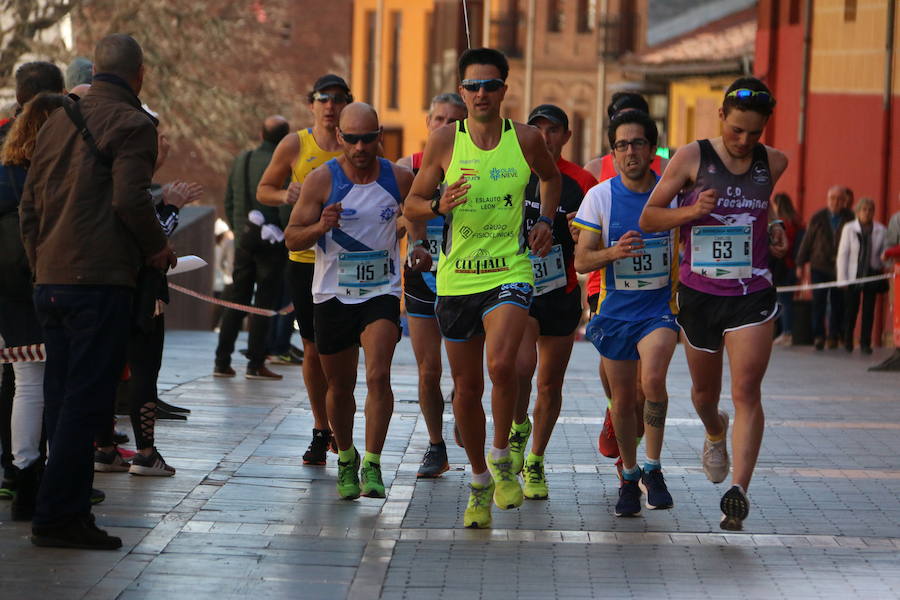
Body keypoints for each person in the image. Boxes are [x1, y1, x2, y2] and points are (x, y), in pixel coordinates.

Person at [19, 33, 176, 549]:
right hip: (99, 283)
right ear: (141, 74)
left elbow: (29, 208)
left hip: (51, 281)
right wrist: (157, 250)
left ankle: (54, 507)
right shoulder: (135, 124)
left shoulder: (55, 122)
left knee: (63, 399)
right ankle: (60, 517)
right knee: (87, 404)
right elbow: (131, 199)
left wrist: (41, 264)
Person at [405, 47, 561, 529]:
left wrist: (547, 222)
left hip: (510, 270)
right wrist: (438, 204)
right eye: (471, 86)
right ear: (462, 90)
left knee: (502, 364)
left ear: (504, 91)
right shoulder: (444, 142)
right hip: (455, 279)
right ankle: (478, 480)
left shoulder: (528, 138)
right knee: (466, 391)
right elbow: (411, 204)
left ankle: (501, 458)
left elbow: (551, 179)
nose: (480, 95)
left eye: (490, 86)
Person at [639, 76, 789, 531]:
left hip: (751, 293)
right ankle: (714, 429)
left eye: (754, 133)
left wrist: (776, 225)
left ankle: (738, 492)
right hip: (700, 295)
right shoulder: (691, 158)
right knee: (705, 396)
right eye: (736, 130)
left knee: (747, 391)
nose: (744, 141)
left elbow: (765, 204)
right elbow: (650, 216)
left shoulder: (774, 162)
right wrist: (690, 213)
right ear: (720, 116)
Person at [285, 102, 428, 500]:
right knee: (340, 385)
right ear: (341, 138)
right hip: (332, 294)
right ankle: (346, 456)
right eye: (352, 139)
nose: (361, 147)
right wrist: (321, 225)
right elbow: (292, 238)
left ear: (379, 135)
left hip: (380, 292)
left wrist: (418, 244)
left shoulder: (398, 177)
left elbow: (415, 214)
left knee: (378, 374)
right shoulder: (320, 181)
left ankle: (374, 464)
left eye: (368, 138)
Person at [575, 109, 678, 517]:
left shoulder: (671, 194)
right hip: (616, 312)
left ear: (652, 149)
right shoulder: (600, 196)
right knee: (621, 399)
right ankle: (630, 475)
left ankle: (653, 467)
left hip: (658, 310)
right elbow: (582, 261)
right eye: (621, 145)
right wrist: (613, 253)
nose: (630, 151)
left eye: (638, 143)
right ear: (613, 152)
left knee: (651, 379)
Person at [258, 74, 350, 466]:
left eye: (338, 99)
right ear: (311, 103)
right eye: (322, 98)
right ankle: (320, 428)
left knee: (345, 352)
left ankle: (343, 428)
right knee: (312, 348)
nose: (330, 106)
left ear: (348, 103)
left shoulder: (357, 143)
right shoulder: (296, 143)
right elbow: (264, 189)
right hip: (307, 260)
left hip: (351, 261)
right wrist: (286, 193)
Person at [509, 104, 595, 499]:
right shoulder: (513, 170)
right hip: (520, 285)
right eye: (537, 128)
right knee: (519, 370)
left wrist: (583, 232)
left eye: (553, 130)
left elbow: (598, 236)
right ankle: (516, 429)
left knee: (549, 382)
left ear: (566, 136)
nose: (545, 136)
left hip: (559, 290)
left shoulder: (582, 181)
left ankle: (536, 460)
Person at [0, 92, 68, 520]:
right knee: (55, 384)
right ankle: (48, 476)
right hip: (52, 284)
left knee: (26, 380)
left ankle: (23, 473)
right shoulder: (57, 177)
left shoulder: (4, 175)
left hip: (8, 289)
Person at [396, 93, 467, 478]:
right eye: (438, 119)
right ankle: (436, 445)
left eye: (453, 121)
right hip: (422, 274)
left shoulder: (476, 165)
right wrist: (411, 225)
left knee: (463, 373)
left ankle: (464, 407)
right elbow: (389, 221)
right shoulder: (407, 169)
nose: (445, 127)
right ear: (427, 123)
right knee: (427, 371)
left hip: (466, 276)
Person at [213, 115, 290, 380]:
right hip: (273, 239)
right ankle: (256, 362)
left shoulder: (242, 160)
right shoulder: (285, 163)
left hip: (245, 239)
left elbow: (229, 199)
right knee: (264, 303)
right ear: (285, 140)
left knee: (236, 300)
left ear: (261, 135)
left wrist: (239, 228)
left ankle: (222, 361)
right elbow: (287, 202)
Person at [795, 186, 854, 350]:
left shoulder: (850, 218)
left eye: (840, 199)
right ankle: (819, 336)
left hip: (840, 267)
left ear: (845, 201)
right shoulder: (818, 217)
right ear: (828, 200)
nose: (836, 202)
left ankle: (833, 336)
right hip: (819, 266)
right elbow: (807, 241)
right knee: (819, 302)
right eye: (833, 198)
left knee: (838, 303)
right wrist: (800, 263)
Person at [837, 197, 887, 354]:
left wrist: (886, 263)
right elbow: (843, 254)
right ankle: (848, 340)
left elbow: (883, 254)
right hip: (854, 274)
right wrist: (842, 278)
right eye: (864, 209)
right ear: (857, 212)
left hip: (871, 273)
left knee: (869, 310)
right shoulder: (849, 228)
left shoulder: (881, 230)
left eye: (870, 209)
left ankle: (865, 342)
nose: (867, 212)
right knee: (851, 309)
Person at [770, 193, 804, 346]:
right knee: (787, 300)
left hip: (782, 267)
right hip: (793, 266)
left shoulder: (781, 225)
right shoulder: (797, 223)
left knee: (783, 301)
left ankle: (786, 332)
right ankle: (785, 331)